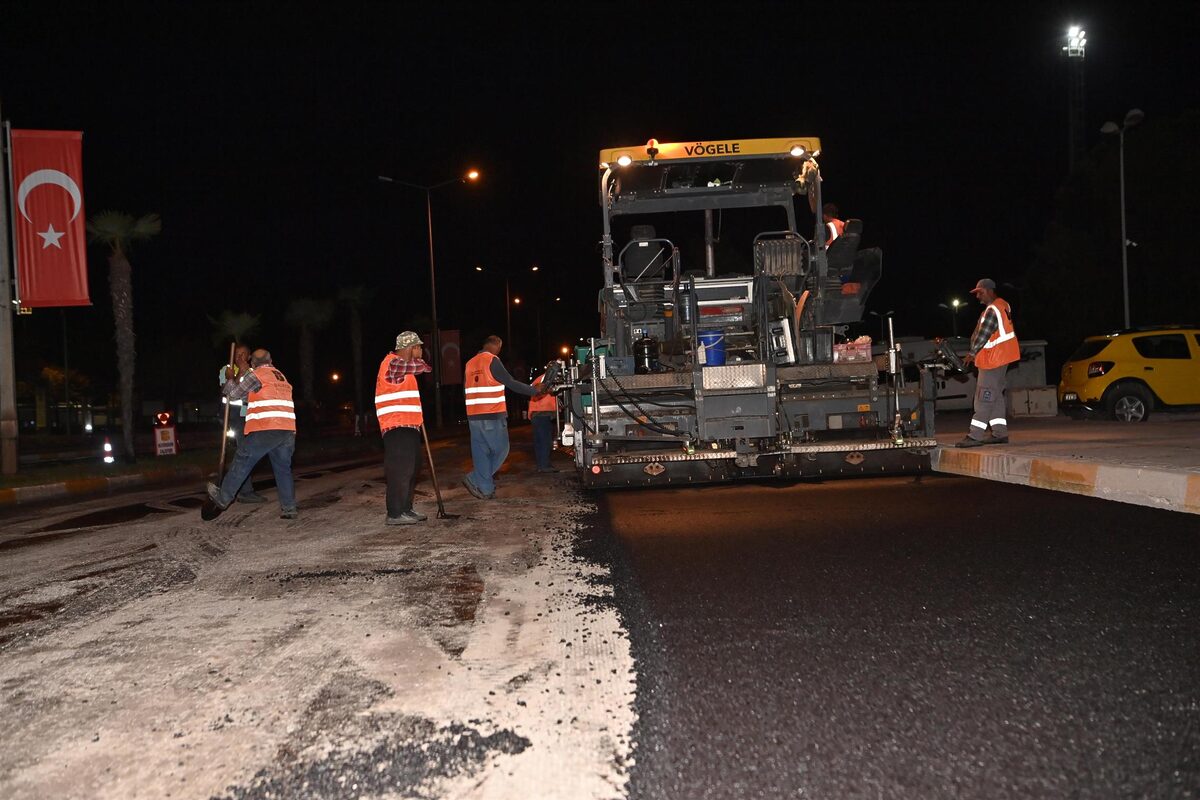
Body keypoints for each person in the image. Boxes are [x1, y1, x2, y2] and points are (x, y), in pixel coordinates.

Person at [205, 349, 299, 519]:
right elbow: (252, 398)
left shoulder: (256, 375)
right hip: (287, 430)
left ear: (254, 363)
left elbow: (232, 394)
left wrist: (230, 377)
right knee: (283, 469)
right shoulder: (280, 376)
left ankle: (223, 497)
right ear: (271, 360)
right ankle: (289, 508)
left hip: (267, 427)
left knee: (243, 459)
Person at [462, 335, 546, 499]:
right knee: (501, 450)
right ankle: (475, 478)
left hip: (473, 417)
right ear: (498, 346)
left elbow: (465, 390)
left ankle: (485, 489)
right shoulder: (492, 360)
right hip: (492, 415)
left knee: (481, 452)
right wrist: (534, 390)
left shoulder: (469, 363)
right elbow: (511, 382)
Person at [375, 331, 432, 525]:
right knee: (400, 469)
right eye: (419, 347)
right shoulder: (393, 362)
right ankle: (395, 513)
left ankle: (406, 508)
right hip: (396, 425)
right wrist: (422, 364)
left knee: (413, 467)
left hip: (409, 425)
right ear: (411, 347)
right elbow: (418, 367)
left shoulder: (404, 370)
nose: (421, 351)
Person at [956, 279, 1020, 447]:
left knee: (984, 398)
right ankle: (1000, 433)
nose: (978, 296)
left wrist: (971, 353)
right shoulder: (1003, 305)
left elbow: (984, 334)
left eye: (980, 292)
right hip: (1001, 358)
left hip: (993, 360)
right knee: (996, 396)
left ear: (990, 291)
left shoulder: (992, 310)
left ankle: (975, 435)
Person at [218, 344, 265, 504]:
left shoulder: (254, 372)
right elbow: (227, 391)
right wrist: (237, 376)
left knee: (248, 452)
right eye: (237, 354)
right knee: (244, 452)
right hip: (235, 416)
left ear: (249, 356)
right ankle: (244, 491)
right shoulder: (227, 369)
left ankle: (239, 488)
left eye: (243, 354)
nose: (240, 357)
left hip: (252, 416)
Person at [528, 370, 559, 473]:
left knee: (540, 441)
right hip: (541, 412)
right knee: (545, 440)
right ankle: (544, 465)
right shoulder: (546, 379)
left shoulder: (542, 378)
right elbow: (541, 390)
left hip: (538, 412)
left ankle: (541, 465)